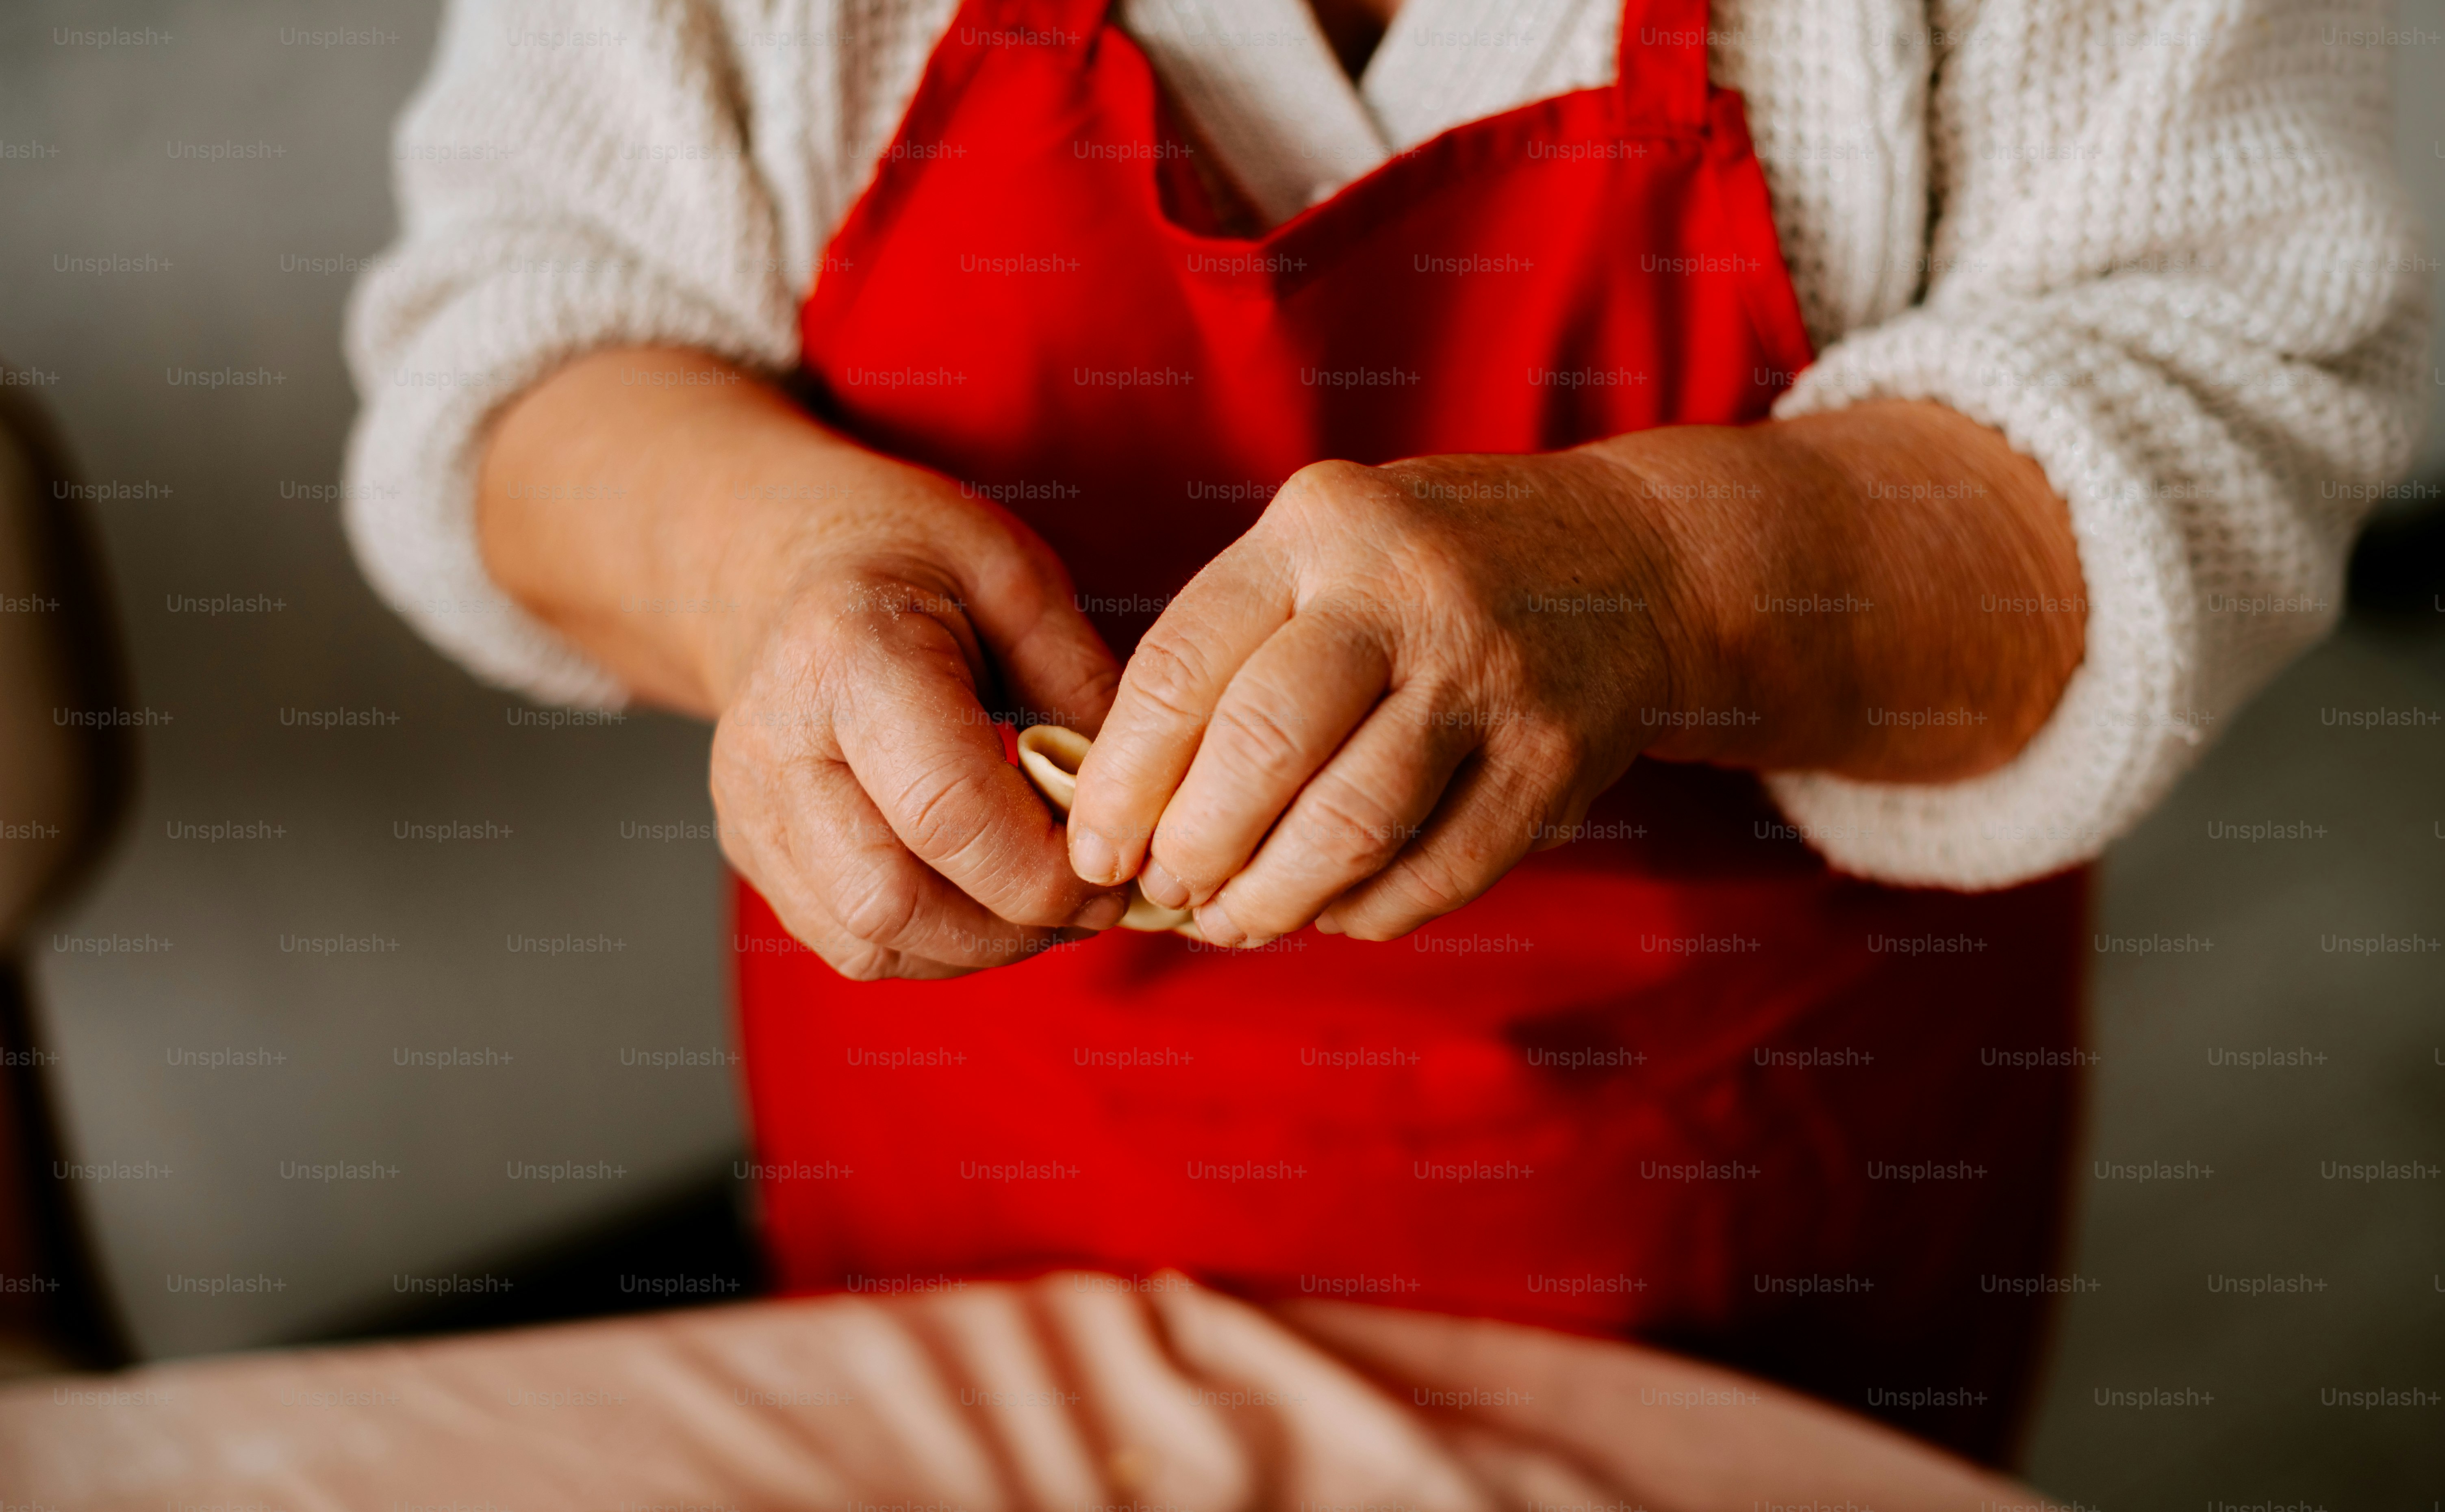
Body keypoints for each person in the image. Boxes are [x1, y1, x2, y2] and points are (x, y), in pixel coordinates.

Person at [344, 0, 2427, 1466]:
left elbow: (2213, 404)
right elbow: (517, 348)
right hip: (953, 1239)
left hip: (1732, 1233)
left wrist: (1649, 567)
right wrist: (767, 566)